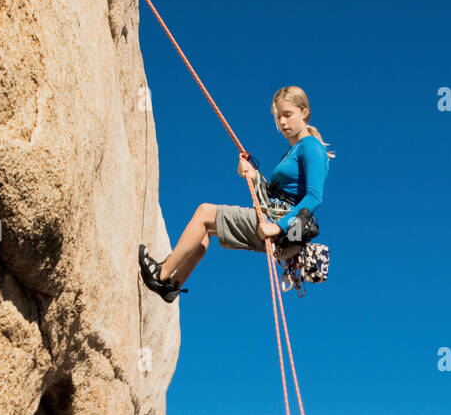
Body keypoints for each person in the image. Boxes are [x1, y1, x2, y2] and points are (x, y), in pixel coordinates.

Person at [138, 86, 333, 302]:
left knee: (204, 213)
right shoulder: (294, 150)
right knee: (205, 230)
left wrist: (278, 227)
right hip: (277, 221)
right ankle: (173, 284)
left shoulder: (311, 147)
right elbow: (281, 193)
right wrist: (252, 174)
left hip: (280, 225)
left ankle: (161, 273)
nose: (283, 122)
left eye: (288, 114)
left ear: (304, 112)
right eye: (278, 117)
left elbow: (314, 197)